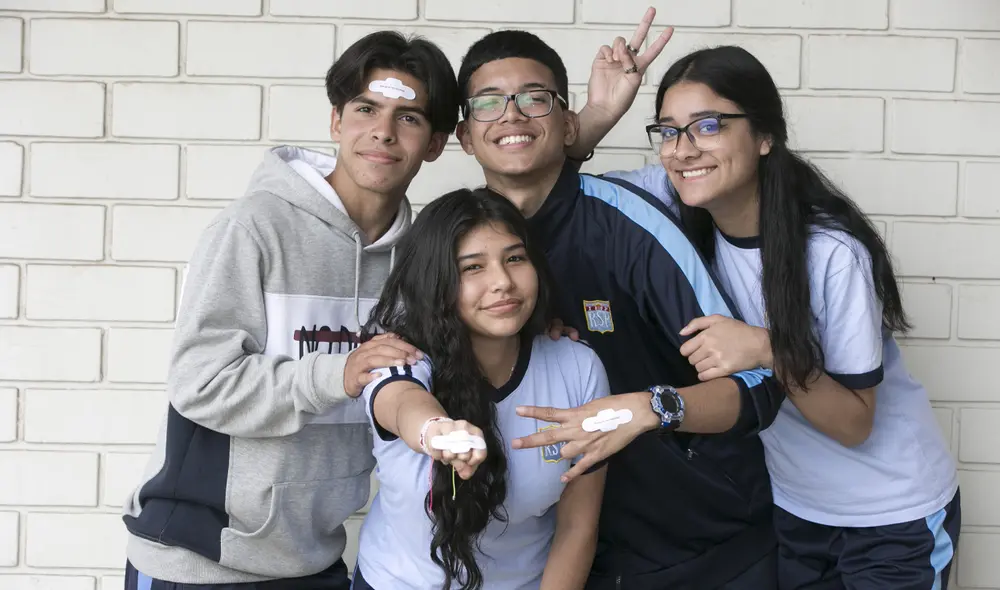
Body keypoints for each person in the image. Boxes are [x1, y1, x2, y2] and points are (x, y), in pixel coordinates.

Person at [603, 45, 960, 590]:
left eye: (708, 126)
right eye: (669, 131)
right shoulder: (676, 197)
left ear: (765, 137)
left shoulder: (830, 253)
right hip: (797, 512)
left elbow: (854, 423)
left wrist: (766, 349)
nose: (683, 150)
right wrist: (600, 113)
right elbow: (560, 190)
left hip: (893, 518)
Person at [120, 31, 459, 589]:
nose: (382, 130)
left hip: (314, 559)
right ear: (336, 122)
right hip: (198, 560)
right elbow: (198, 382)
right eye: (366, 109)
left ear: (436, 142)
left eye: (409, 117)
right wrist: (337, 373)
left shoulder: (420, 261)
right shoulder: (253, 228)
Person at [453, 26, 786, 589]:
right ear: (464, 135)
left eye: (535, 98)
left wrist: (652, 408)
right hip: (556, 562)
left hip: (705, 550)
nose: (511, 115)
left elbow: (757, 384)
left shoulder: (627, 224)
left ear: (567, 123)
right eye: (489, 103)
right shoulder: (455, 242)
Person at [350, 188, 609, 590]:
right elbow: (400, 401)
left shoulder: (577, 367)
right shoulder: (399, 354)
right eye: (472, 268)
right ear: (436, 281)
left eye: (514, 259)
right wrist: (436, 430)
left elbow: (577, 528)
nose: (502, 282)